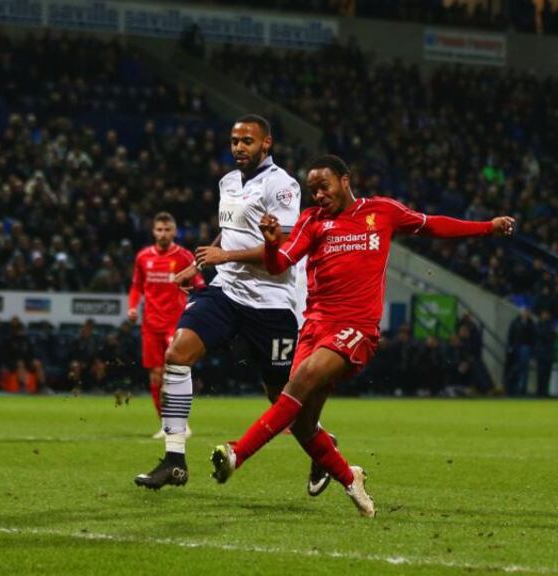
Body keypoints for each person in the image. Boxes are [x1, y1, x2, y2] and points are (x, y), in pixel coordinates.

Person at [209, 154, 514, 517]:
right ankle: (349, 477)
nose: (318, 195)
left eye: (324, 186)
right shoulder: (311, 222)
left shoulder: (382, 212)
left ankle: (237, 453)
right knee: (303, 423)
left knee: (301, 381)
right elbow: (280, 265)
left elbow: (433, 225)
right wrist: (273, 243)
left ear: (345, 180)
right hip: (314, 325)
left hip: (356, 327)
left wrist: (487, 227)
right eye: (312, 190)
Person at [135, 115, 326, 493]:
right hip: (227, 291)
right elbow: (231, 232)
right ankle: (174, 460)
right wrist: (200, 263)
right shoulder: (227, 182)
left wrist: (225, 257)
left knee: (282, 398)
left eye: (247, 141)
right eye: (234, 140)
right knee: (177, 355)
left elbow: (285, 247)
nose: (239, 147)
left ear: (266, 143)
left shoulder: (282, 185)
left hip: (273, 303)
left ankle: (322, 453)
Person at [127, 211, 202, 438]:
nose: (163, 234)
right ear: (153, 231)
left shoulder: (184, 256)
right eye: (159, 229)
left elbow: (199, 284)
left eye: (167, 229)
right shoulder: (143, 257)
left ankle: (181, 422)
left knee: (175, 373)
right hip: (150, 325)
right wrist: (132, 306)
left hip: (175, 324)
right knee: (156, 375)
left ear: (174, 231)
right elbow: (137, 286)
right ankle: (165, 424)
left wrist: (196, 303)